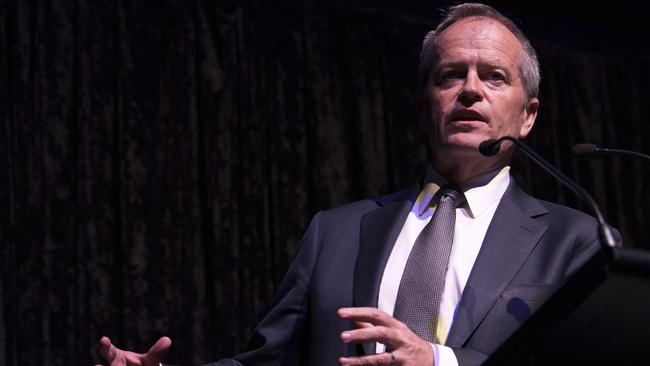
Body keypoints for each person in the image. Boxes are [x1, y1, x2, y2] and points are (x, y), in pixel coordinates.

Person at [97, 3, 601, 365]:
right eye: (450, 75)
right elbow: (270, 361)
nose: (469, 89)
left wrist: (441, 363)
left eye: (493, 76)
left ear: (528, 115)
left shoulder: (574, 240)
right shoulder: (334, 232)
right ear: (425, 106)